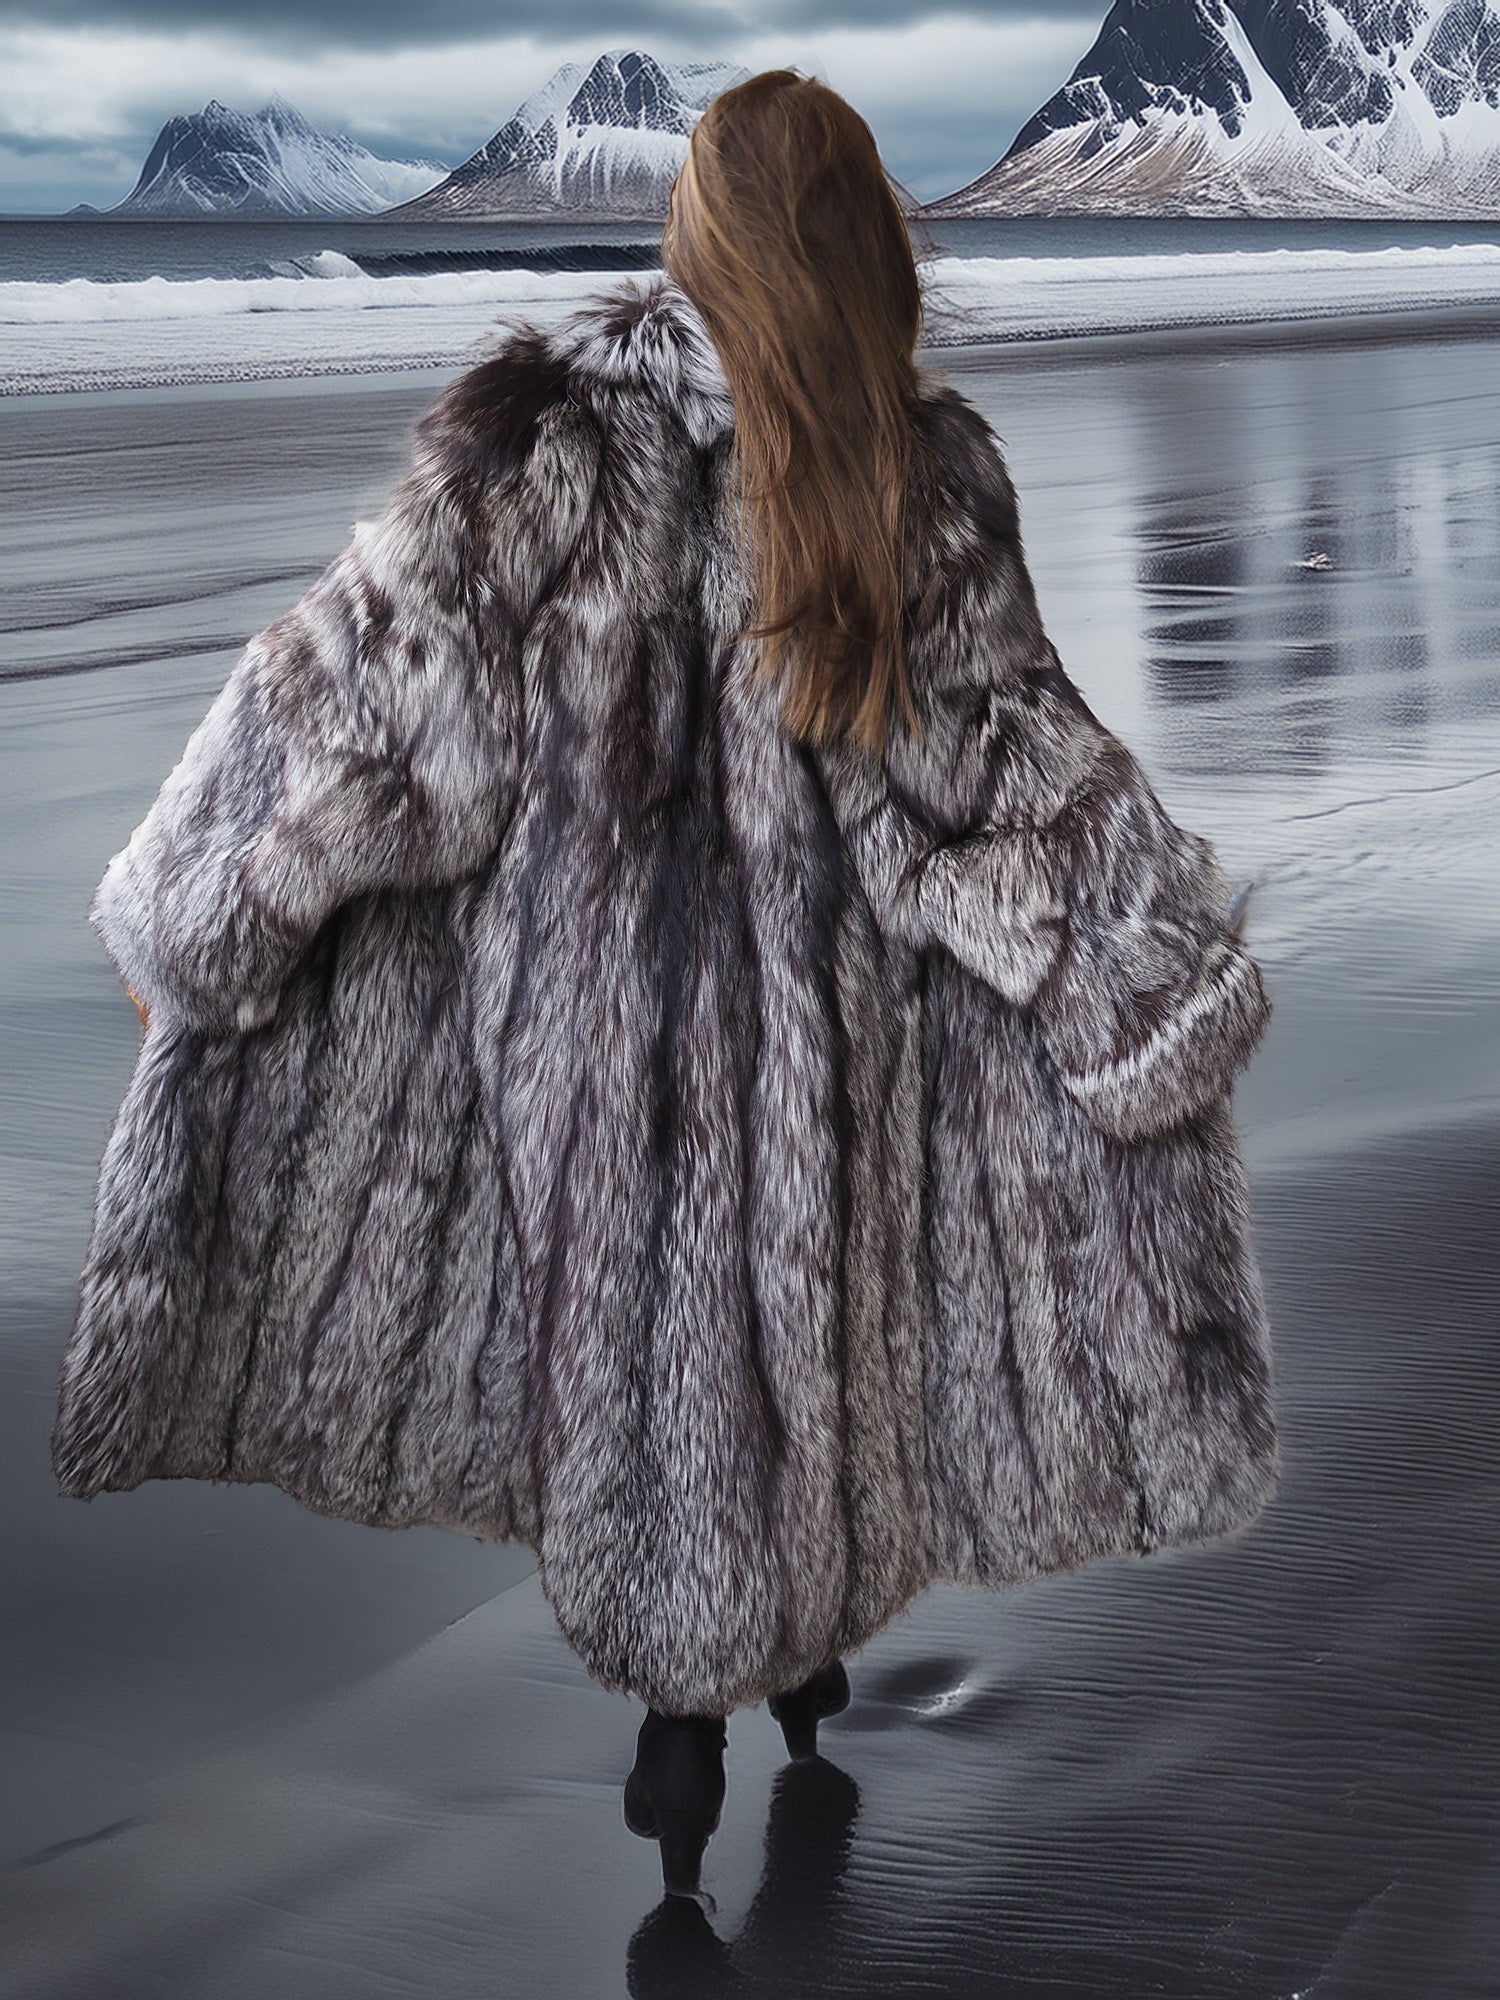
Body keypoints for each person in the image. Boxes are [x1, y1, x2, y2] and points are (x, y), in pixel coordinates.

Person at [51, 70, 1279, 1902]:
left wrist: (188, 917)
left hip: (582, 1064)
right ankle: (778, 1674)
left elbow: (346, 706)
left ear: (688, 244)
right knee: (800, 1333)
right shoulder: (907, 481)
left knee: (638, 1353)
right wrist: (1156, 984)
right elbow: (1021, 776)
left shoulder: (532, 457)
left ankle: (689, 1734)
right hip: (828, 1079)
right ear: (873, 244)